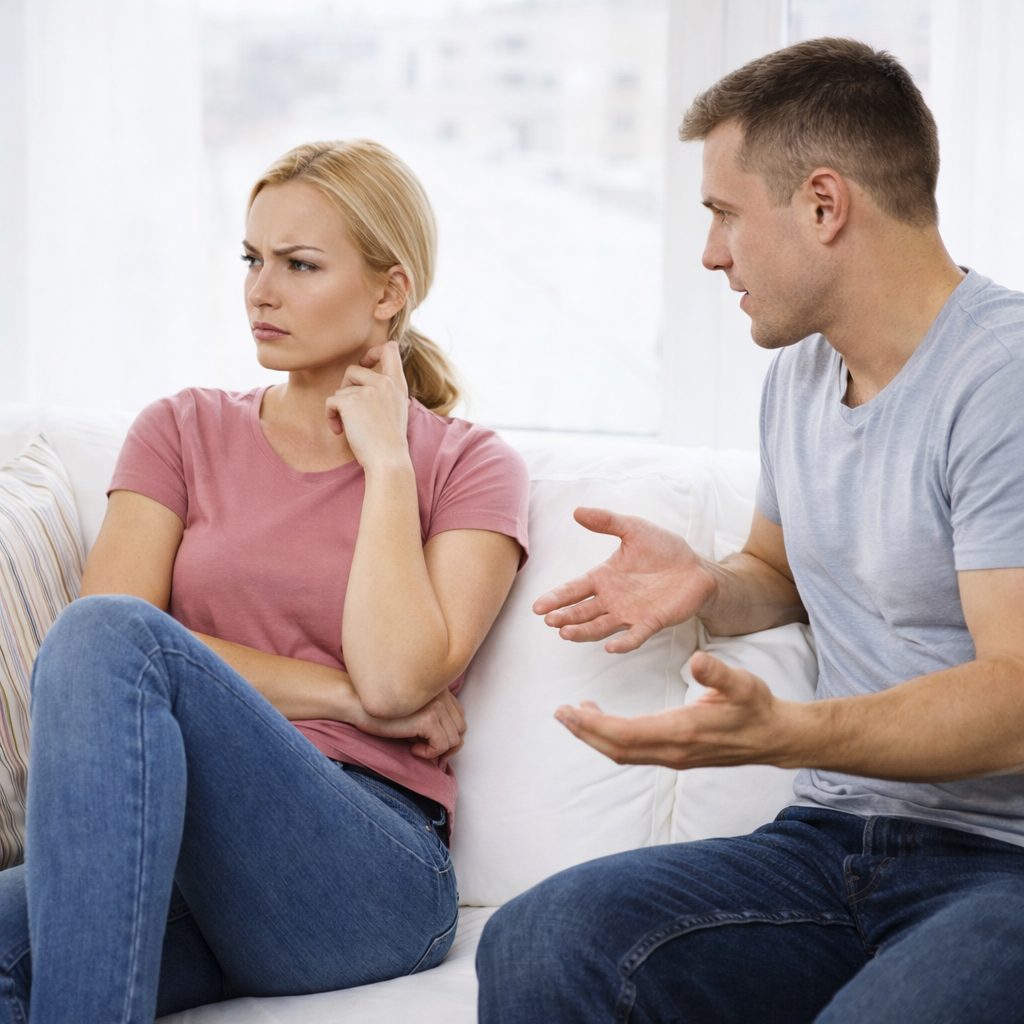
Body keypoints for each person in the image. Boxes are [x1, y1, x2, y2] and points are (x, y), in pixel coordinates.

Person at [476, 37, 1024, 1024]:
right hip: (830, 845)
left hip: (1002, 868)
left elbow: (1016, 694)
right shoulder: (800, 378)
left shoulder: (1002, 381)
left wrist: (788, 733)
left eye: (725, 212)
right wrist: (709, 582)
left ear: (823, 205)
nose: (710, 252)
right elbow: (777, 568)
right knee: (541, 940)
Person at [0, 139, 529, 1023]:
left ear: (389, 291)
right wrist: (344, 697)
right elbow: (102, 661)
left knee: (110, 633)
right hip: (171, 848)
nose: (260, 291)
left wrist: (387, 462)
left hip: (366, 867)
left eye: (299, 264)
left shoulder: (469, 466)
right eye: (252, 259)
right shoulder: (181, 431)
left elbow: (398, 681)